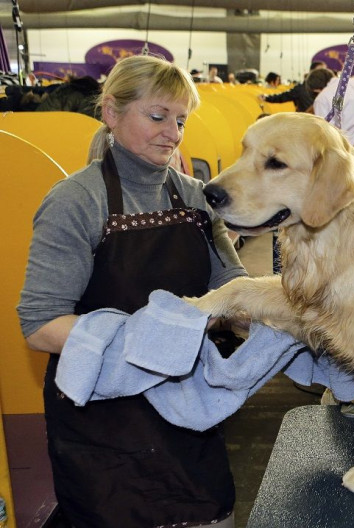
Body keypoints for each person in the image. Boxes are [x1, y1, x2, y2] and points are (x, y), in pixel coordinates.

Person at [17, 54, 246, 527]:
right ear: (111, 112)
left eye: (181, 119)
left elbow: (234, 291)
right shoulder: (76, 201)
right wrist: (147, 340)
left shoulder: (197, 199)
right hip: (104, 416)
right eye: (157, 116)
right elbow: (39, 325)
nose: (174, 133)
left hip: (185, 406)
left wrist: (293, 310)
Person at [258, 61, 326, 112]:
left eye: (325, 71)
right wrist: (266, 98)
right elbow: (283, 96)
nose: (323, 74)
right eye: (321, 71)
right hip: (305, 124)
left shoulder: (326, 89)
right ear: (312, 72)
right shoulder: (301, 88)